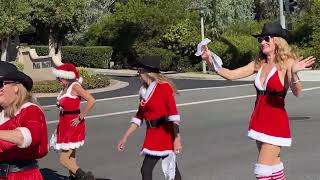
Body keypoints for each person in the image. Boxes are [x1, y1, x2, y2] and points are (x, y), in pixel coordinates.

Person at [198, 22, 316, 180]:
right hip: (259, 120)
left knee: (262, 172)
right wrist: (209, 59)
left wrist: (293, 74)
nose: (262, 42)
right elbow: (230, 74)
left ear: (278, 41)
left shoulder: (287, 63)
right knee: (273, 166)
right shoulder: (259, 63)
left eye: (267, 38)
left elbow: (297, 92)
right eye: (260, 39)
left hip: (275, 122)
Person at [117, 56, 183, 180]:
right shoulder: (143, 91)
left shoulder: (164, 87)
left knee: (146, 169)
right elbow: (139, 117)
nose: (138, 72)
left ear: (148, 71)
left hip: (165, 133)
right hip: (151, 134)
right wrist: (125, 137)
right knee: (171, 169)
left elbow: (173, 114)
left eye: (140, 69)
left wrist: (177, 139)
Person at [0, 66, 48, 180]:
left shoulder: (30, 110)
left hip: (21, 176)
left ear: (16, 87)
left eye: (0, 84)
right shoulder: (2, 113)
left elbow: (29, 137)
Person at [51, 63, 96, 180]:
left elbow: (91, 100)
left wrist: (80, 117)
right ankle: (74, 177)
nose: (57, 80)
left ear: (66, 77)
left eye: (59, 78)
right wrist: (58, 127)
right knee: (71, 157)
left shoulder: (75, 86)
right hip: (64, 123)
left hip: (73, 124)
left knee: (63, 159)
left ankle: (85, 177)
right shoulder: (65, 88)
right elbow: (63, 110)